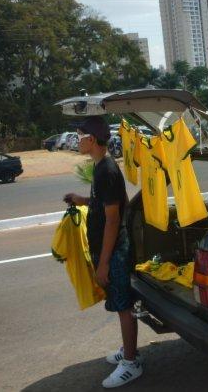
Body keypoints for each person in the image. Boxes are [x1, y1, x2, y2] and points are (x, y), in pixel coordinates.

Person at [63, 116, 142, 388]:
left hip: (114, 251)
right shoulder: (100, 168)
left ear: (93, 140)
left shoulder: (106, 171)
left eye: (80, 135)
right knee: (120, 303)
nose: (77, 140)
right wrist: (81, 200)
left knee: (123, 307)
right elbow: (109, 202)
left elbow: (112, 218)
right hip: (109, 249)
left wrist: (104, 263)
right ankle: (128, 349)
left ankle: (131, 363)